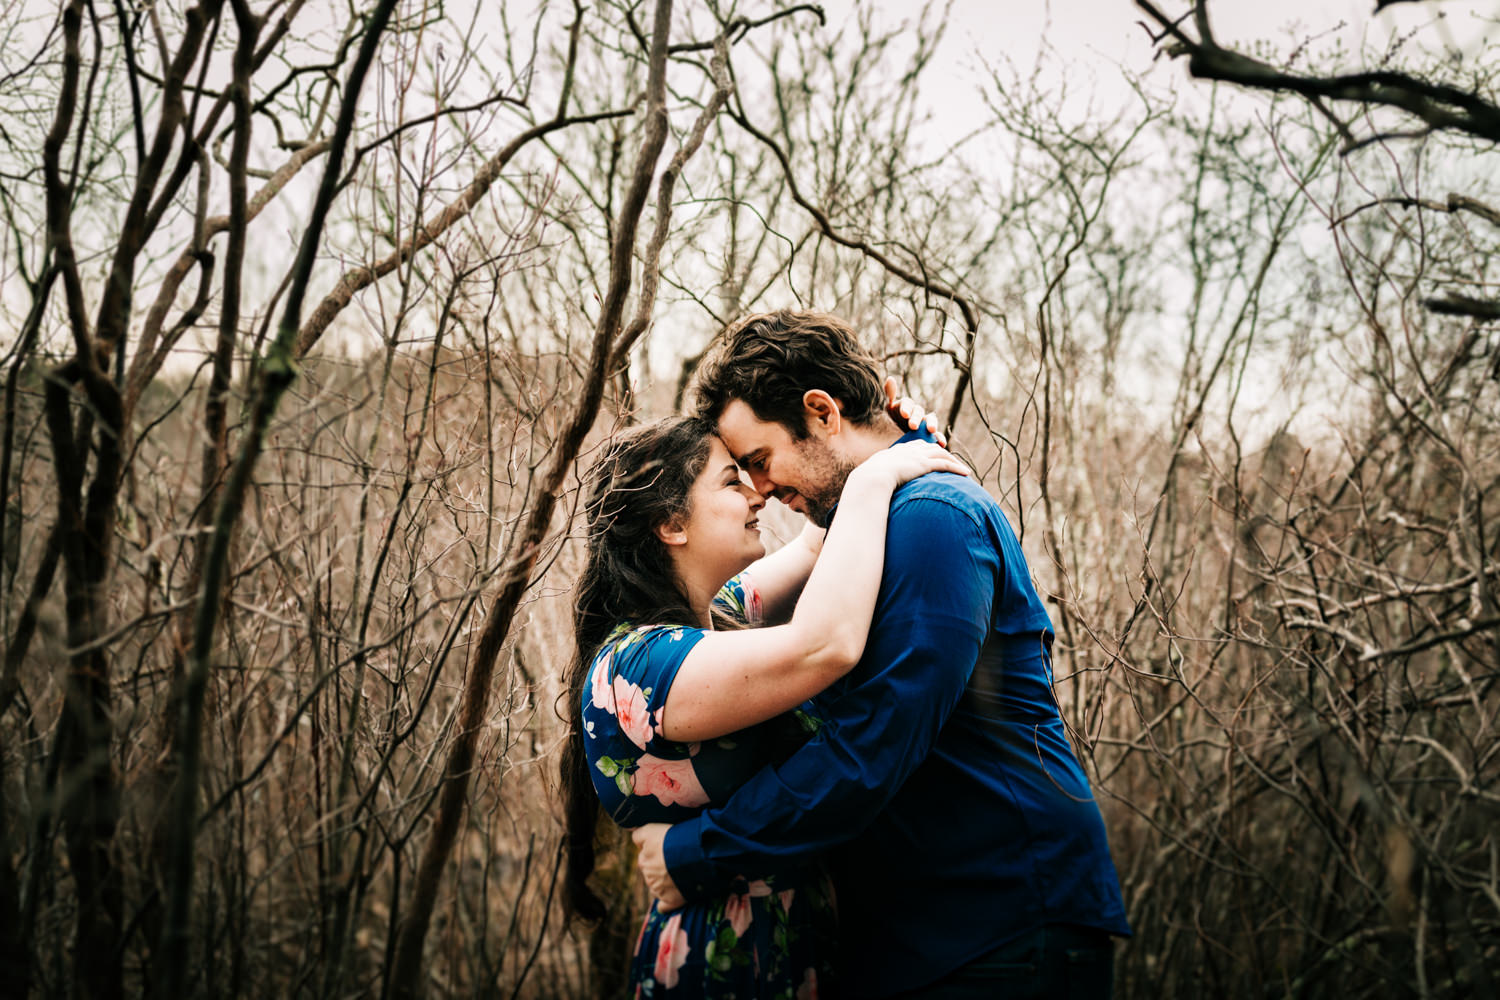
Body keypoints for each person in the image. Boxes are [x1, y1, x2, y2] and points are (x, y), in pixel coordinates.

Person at [631, 310, 1130, 999]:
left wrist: (696, 853)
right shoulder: (862, 534)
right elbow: (727, 624)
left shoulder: (934, 517)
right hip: (925, 937)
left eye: (759, 460)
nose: (760, 489)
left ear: (821, 412)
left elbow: (874, 741)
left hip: (1001, 926)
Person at [561, 410, 966, 997]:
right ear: (672, 524)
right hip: (726, 962)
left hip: (804, 945)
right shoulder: (637, 666)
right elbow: (825, 646)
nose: (757, 494)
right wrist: (875, 479)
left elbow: (820, 541)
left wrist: (884, 430)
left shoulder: (720, 621)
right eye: (731, 481)